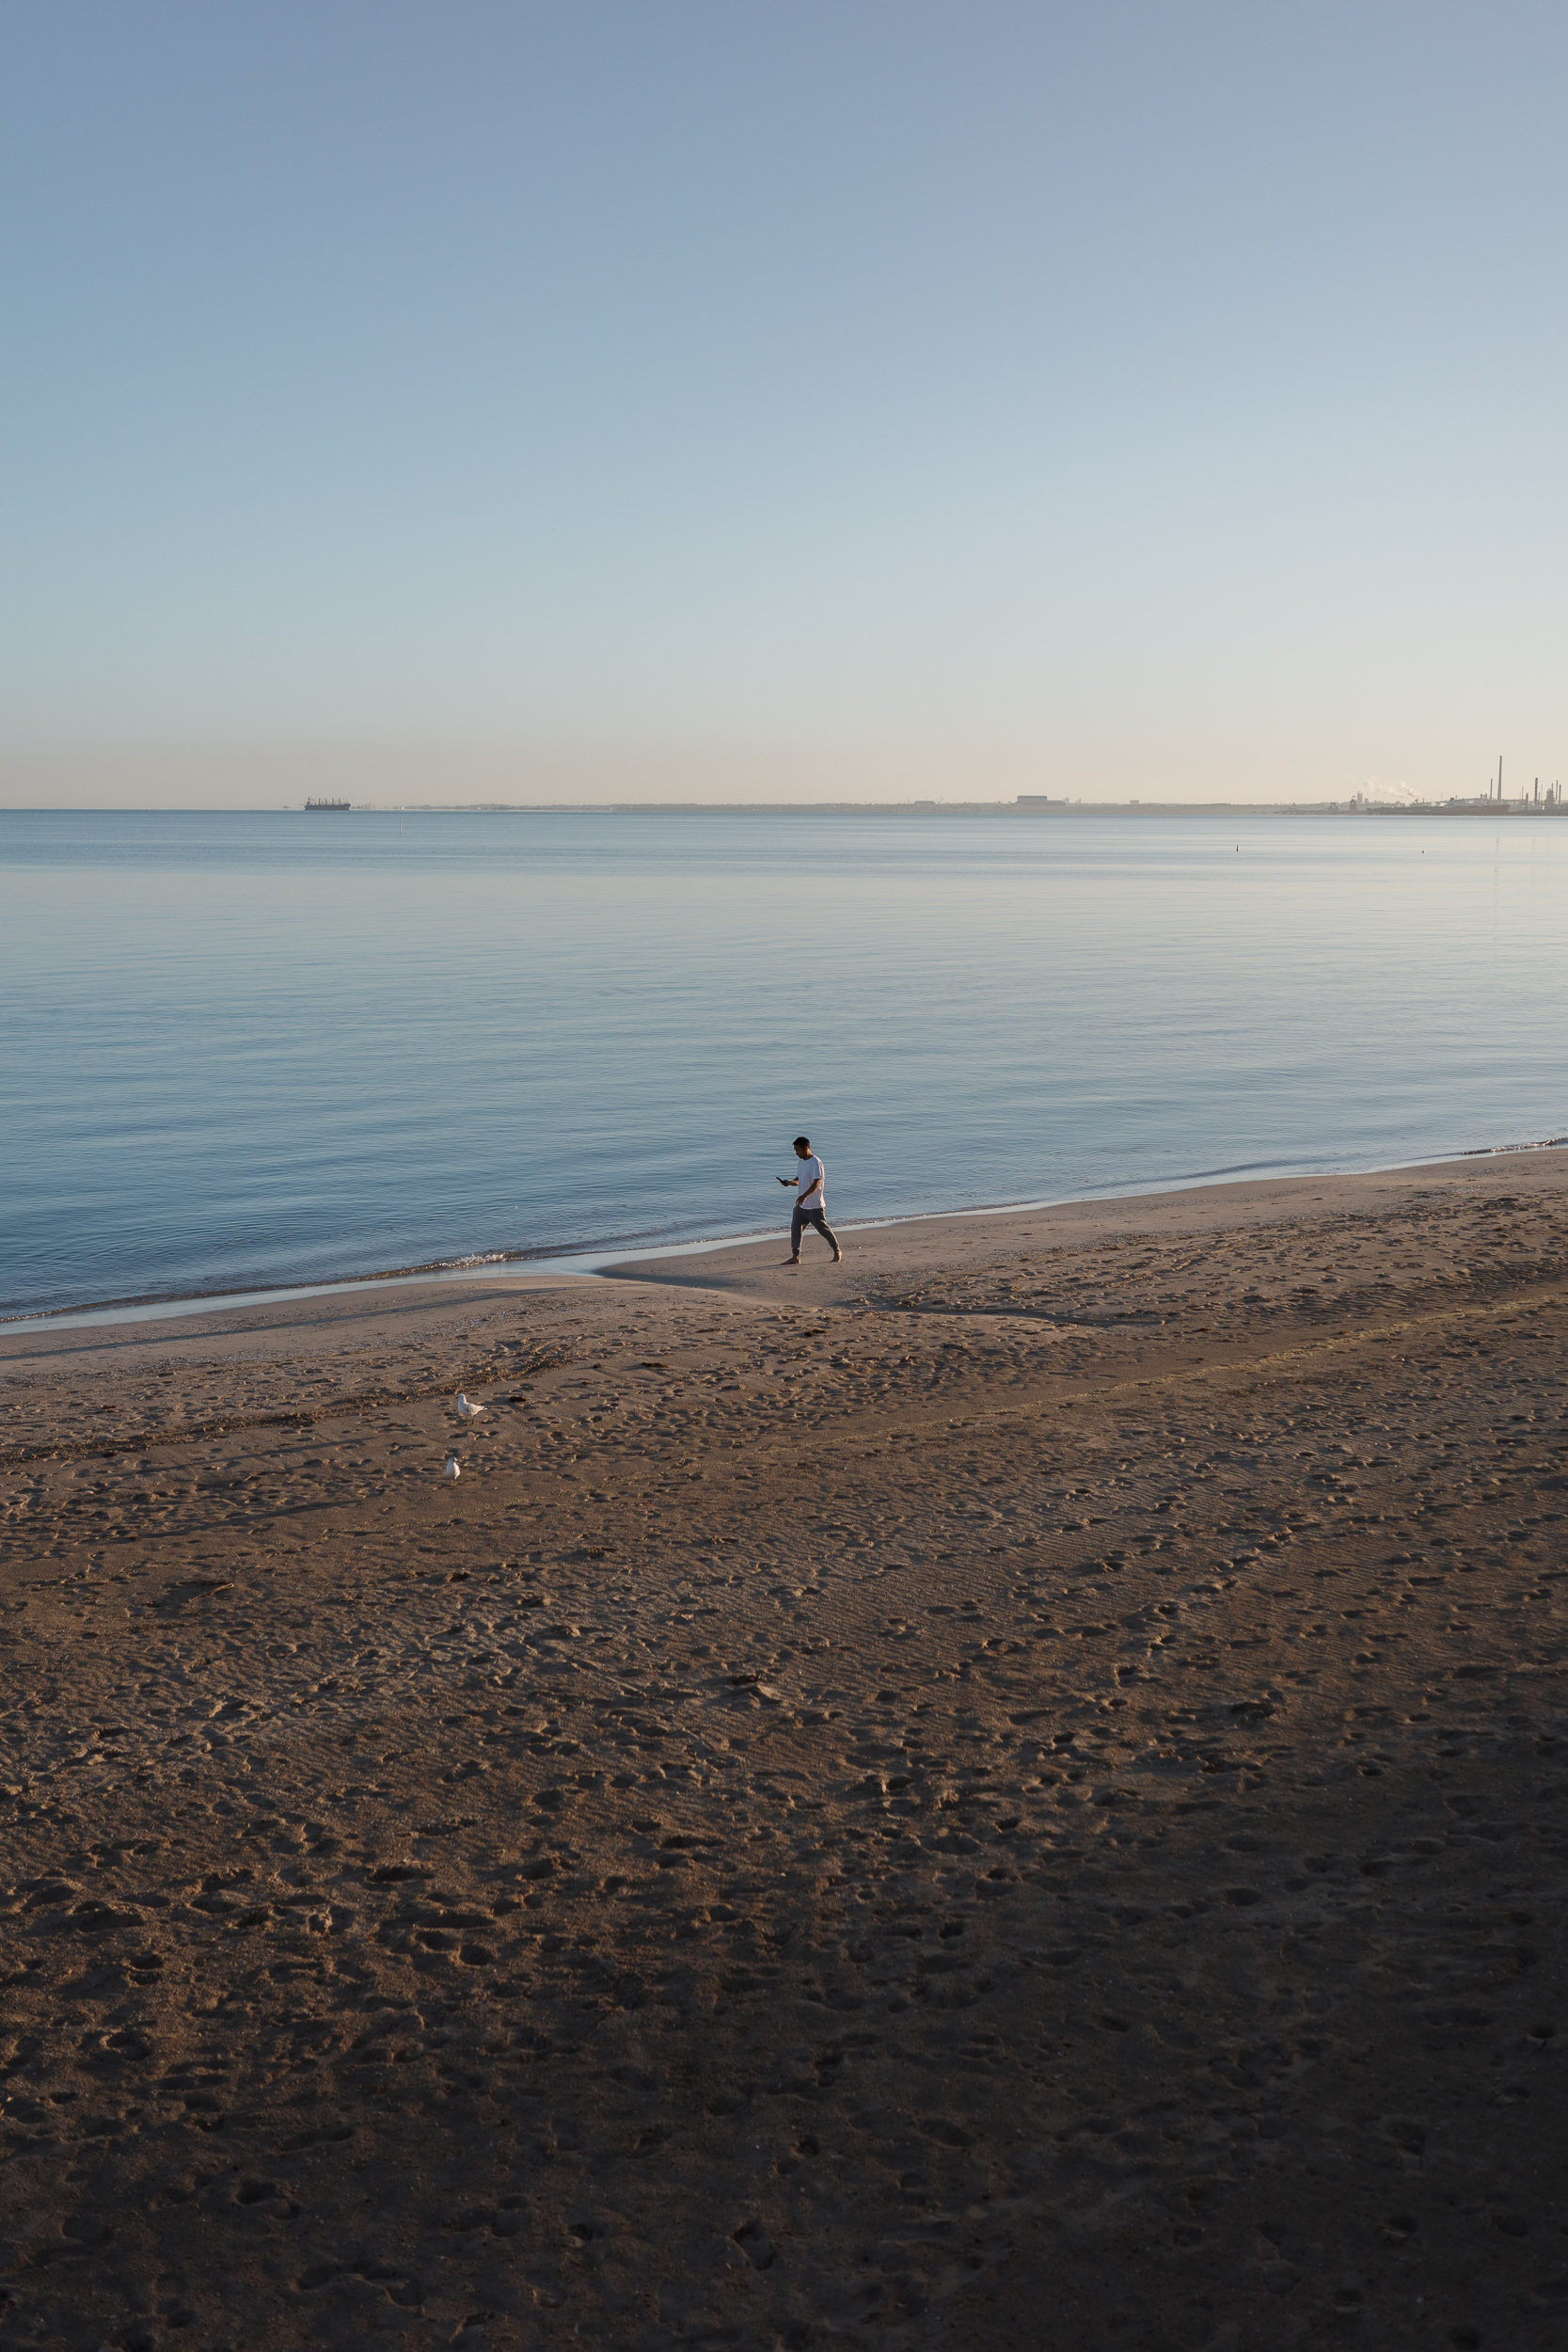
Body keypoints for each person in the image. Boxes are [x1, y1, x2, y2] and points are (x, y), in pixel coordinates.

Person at [777, 1135, 843, 1265]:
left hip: (815, 1206)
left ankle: (837, 1250)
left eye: (798, 1150)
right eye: (795, 1150)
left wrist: (804, 1195)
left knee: (823, 1230)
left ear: (806, 1147)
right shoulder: (801, 1161)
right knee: (796, 1229)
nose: (796, 1153)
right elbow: (799, 1180)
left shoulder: (816, 1162)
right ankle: (795, 1257)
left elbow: (816, 1183)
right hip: (802, 1206)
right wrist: (789, 1182)